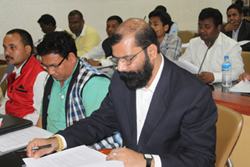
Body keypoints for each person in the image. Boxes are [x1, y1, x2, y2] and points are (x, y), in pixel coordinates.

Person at [27, 18, 217, 167]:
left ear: (151, 51)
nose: (120, 68)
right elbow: (100, 121)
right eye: (116, 59)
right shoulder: (121, 81)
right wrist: (57, 141)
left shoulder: (193, 93)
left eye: (127, 59)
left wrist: (147, 162)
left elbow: (201, 160)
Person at [36, 31, 122, 150]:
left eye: (54, 65)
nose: (50, 71)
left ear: (71, 57)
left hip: (78, 150)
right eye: (46, 66)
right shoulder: (50, 79)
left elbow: (98, 130)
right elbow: (43, 117)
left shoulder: (94, 83)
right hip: (50, 146)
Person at [179, 8, 244, 84]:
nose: (202, 30)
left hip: (222, 90)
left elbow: (238, 71)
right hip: (198, 88)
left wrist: (214, 77)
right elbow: (181, 64)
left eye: (207, 27)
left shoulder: (231, 45)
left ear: (219, 28)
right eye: (200, 26)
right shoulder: (193, 43)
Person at [0, 29, 47, 125]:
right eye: (5, 48)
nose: (7, 53)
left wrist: (13, 122)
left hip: (25, 126)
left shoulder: (40, 74)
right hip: (9, 122)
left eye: (12, 48)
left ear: (27, 49)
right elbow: (7, 101)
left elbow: (39, 114)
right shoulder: (11, 69)